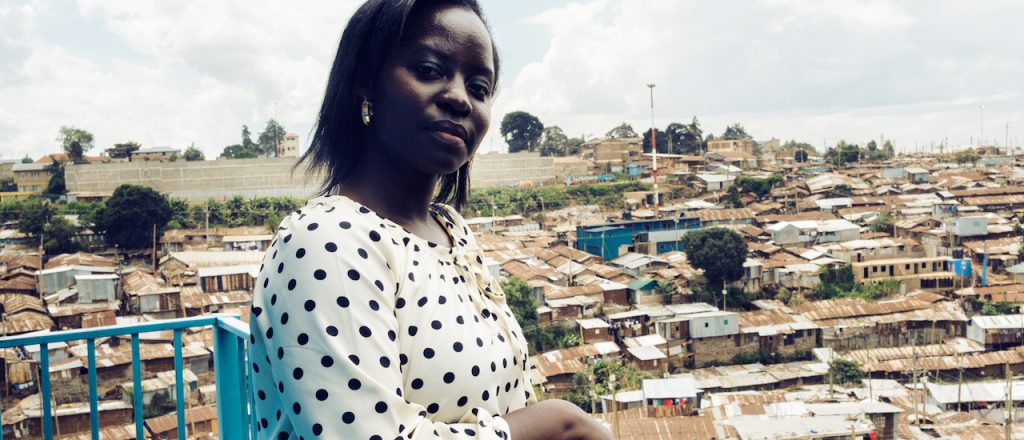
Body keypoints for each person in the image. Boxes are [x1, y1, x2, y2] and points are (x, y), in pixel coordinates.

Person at [248, 1, 614, 439]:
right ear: (365, 85)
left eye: (479, 87)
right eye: (428, 69)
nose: (460, 97)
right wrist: (556, 424)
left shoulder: (451, 232)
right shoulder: (326, 241)